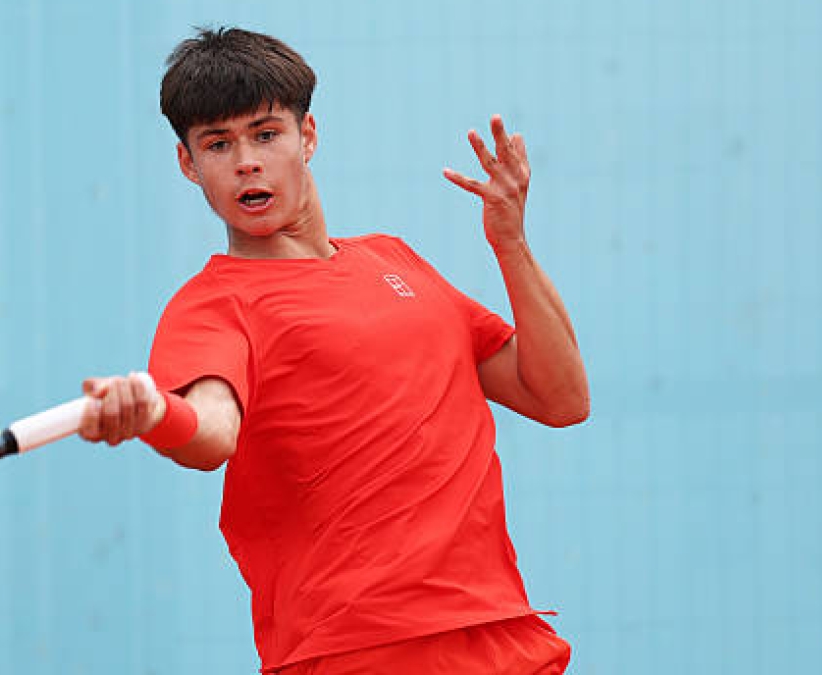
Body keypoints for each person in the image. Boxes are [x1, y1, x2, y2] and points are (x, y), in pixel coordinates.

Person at [76, 27, 590, 675]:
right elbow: (210, 432)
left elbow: (561, 397)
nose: (246, 161)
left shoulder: (395, 260)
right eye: (218, 144)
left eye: (266, 134)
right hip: (355, 650)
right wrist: (153, 414)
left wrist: (511, 243)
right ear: (189, 164)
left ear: (307, 136)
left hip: (499, 634)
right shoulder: (212, 306)